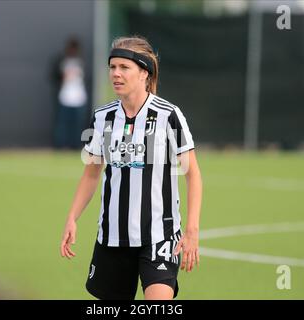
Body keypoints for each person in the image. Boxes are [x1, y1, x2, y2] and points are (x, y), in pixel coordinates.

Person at [60, 35, 202, 300]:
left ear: (143, 73)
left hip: (160, 236)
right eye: (112, 67)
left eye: (124, 67)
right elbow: (91, 173)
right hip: (113, 237)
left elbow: (193, 175)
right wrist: (72, 217)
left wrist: (192, 229)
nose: (116, 73)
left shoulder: (168, 115)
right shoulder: (102, 117)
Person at [52, 37, 88, 149]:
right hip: (65, 97)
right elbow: (54, 76)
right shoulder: (61, 61)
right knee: (62, 124)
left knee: (77, 124)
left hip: (79, 98)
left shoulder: (81, 61)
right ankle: (60, 145)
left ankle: (76, 145)